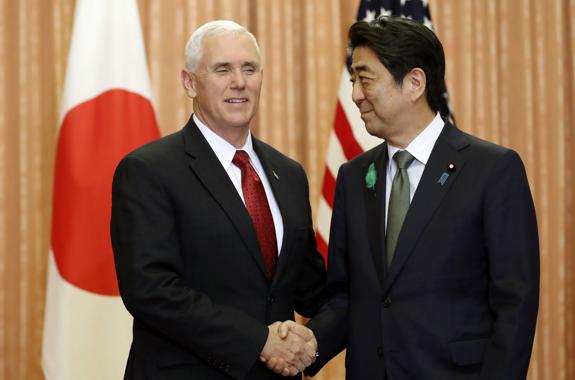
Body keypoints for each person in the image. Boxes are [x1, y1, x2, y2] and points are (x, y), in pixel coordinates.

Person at [275, 16, 540, 379]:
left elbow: (515, 303)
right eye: (352, 80)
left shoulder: (492, 170)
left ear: (414, 83)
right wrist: (308, 344)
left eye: (365, 79)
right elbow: (347, 295)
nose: (354, 94)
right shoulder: (354, 178)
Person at [111, 20, 326, 380]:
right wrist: (259, 341)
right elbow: (151, 291)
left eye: (249, 69)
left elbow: (309, 287)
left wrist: (311, 341)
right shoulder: (148, 170)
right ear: (189, 82)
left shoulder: (288, 174)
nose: (239, 82)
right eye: (222, 69)